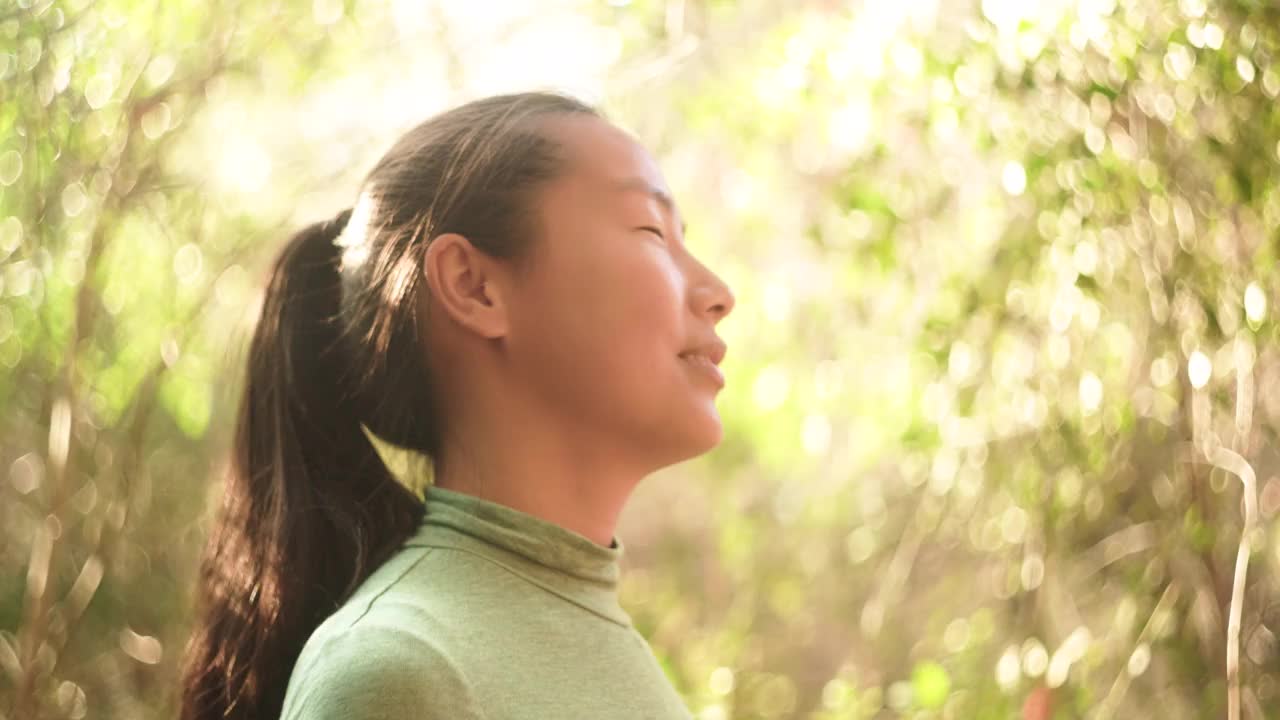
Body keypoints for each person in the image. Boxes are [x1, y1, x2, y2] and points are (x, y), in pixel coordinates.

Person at [178, 91, 736, 720]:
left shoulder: (605, 645)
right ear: (474, 286)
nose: (719, 293)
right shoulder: (398, 673)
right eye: (652, 232)